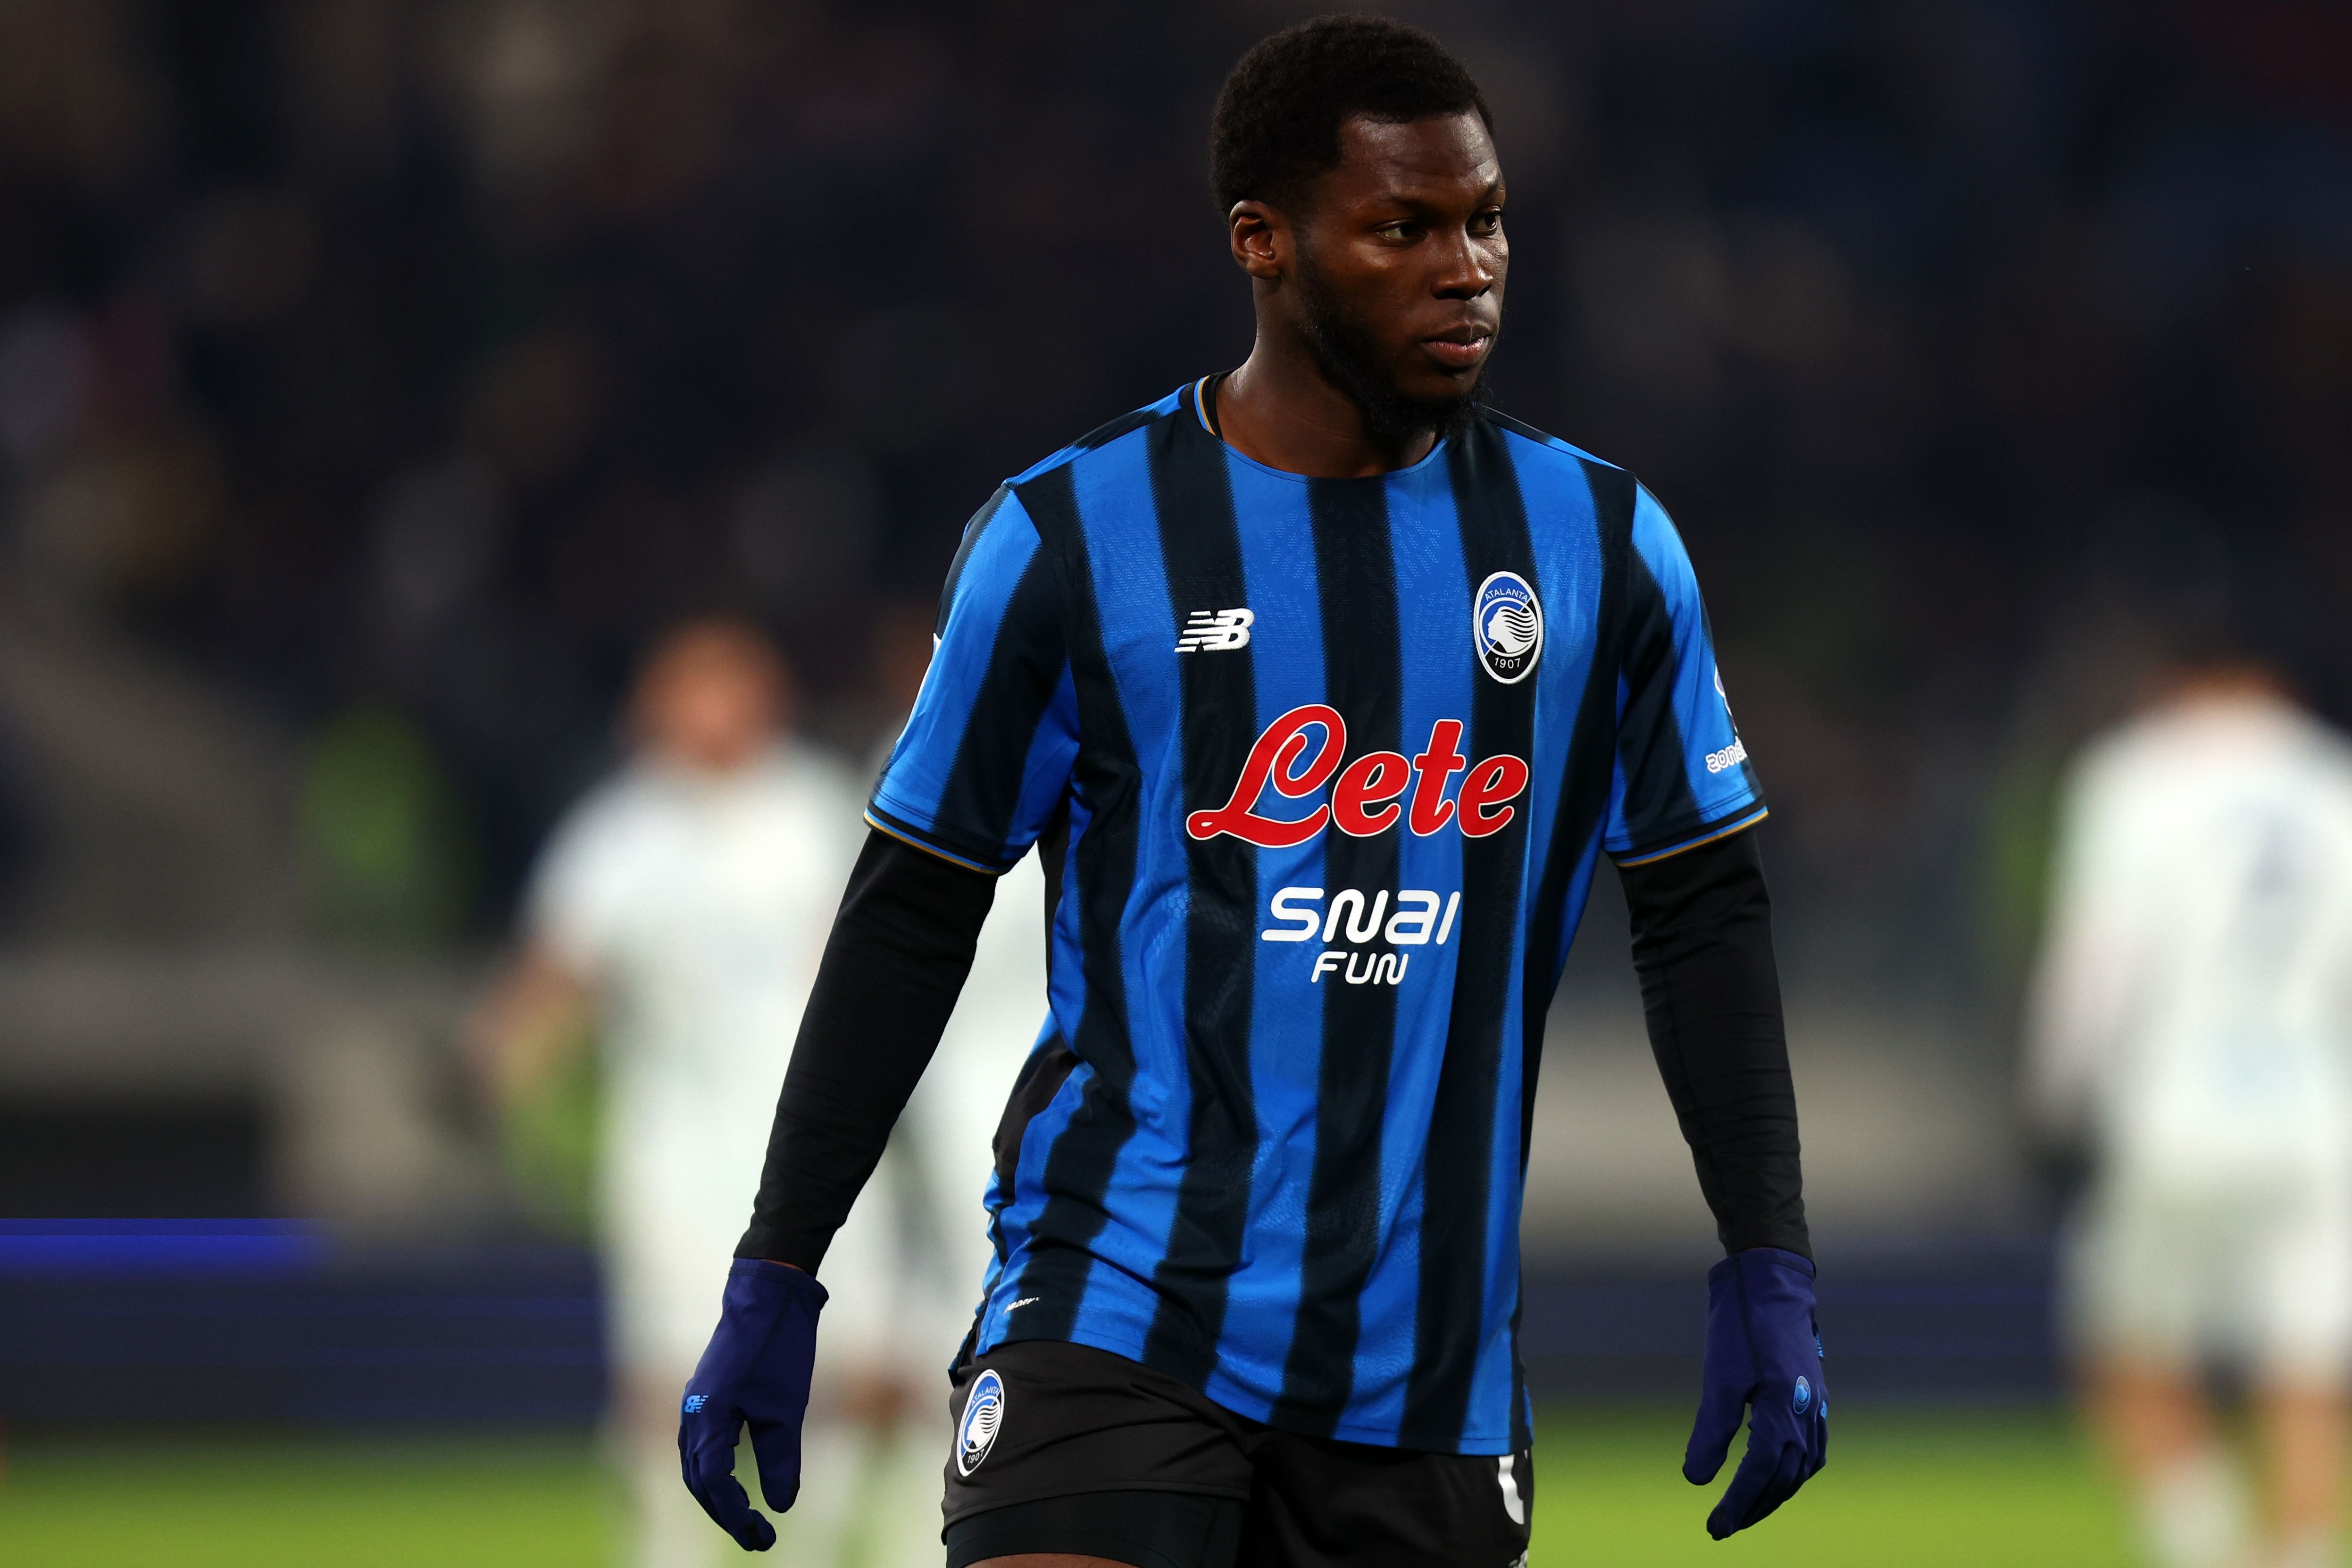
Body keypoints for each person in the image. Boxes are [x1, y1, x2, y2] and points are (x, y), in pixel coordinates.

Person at [679, 18, 1825, 1567]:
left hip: (1424, 1368)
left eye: (1485, 222)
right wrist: (780, 1263)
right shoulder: (1069, 538)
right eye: (1403, 228)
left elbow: (1700, 917)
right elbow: (911, 912)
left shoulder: (1601, 546)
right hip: (1115, 1295)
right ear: (1262, 242)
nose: (1467, 270)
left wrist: (1766, 1258)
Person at [474, 617, 931, 1568]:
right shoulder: (620, 835)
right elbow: (558, 976)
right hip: (676, 1150)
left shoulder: (818, 812)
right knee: (667, 1366)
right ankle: (668, 1547)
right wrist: (490, 1074)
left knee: (847, 1360)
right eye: (690, 690)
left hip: (816, 1139)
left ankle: (807, 1546)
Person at [2028, 655, 2352, 1568]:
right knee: (2306, 1355)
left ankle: (2200, 1544)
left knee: (2125, 1339)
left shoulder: (2133, 774)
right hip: (2314, 1106)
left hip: (2171, 1102)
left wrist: (2053, 1094)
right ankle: (2300, 1550)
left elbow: (2096, 954)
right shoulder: (2331, 778)